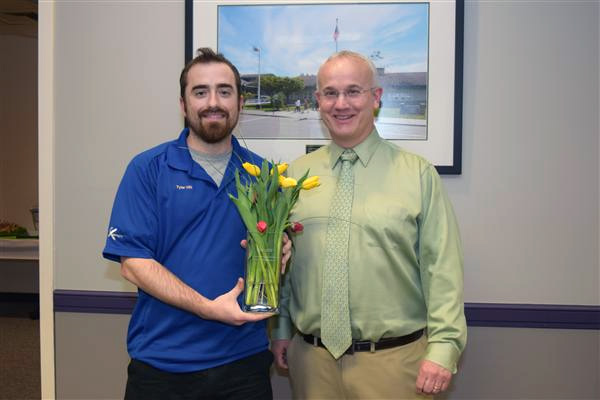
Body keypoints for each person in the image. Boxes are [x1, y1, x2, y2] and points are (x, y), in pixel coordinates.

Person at [271, 50, 467, 399]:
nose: (341, 103)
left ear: (376, 98)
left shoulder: (417, 174)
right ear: (317, 100)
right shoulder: (294, 177)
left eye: (353, 91)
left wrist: (443, 348)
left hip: (396, 364)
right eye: (330, 93)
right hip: (312, 364)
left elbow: (442, 269)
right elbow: (287, 264)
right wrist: (282, 328)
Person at [103, 48, 290, 400]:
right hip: (162, 365)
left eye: (224, 91)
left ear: (240, 102)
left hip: (244, 362)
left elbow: (268, 257)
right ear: (183, 103)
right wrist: (208, 308)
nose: (213, 102)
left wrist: (280, 249)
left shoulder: (264, 175)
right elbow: (133, 263)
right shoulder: (148, 169)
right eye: (200, 92)